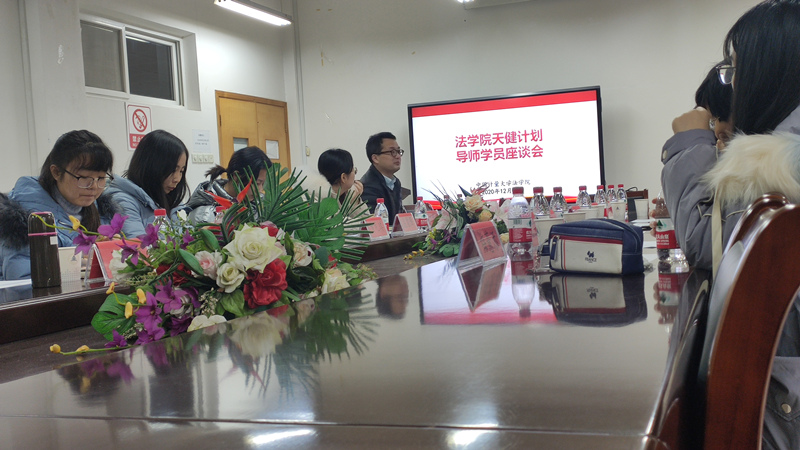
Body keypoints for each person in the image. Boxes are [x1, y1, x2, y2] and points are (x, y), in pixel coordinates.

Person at [661, 1, 800, 448]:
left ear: (769, 72)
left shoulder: (777, 161)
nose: (732, 81)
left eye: (734, 69)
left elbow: (707, 242)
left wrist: (688, 143)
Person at [0, 130, 116, 280]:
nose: (93, 186)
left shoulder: (100, 212)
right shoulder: (28, 218)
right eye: (83, 178)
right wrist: (79, 263)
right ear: (56, 172)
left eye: (101, 178)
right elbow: (21, 277)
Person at [106, 130, 189, 237]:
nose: (177, 179)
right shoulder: (123, 202)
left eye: (181, 171)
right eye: (173, 170)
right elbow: (137, 244)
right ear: (151, 166)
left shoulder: (171, 199)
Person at [185, 146, 272, 224]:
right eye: (257, 183)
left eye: (263, 184)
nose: (260, 190)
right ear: (236, 176)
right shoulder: (204, 214)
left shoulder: (260, 205)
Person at [360, 131, 404, 223]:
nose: (397, 156)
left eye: (398, 151)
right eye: (392, 152)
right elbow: (374, 224)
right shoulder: (368, 186)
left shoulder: (395, 182)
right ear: (375, 158)